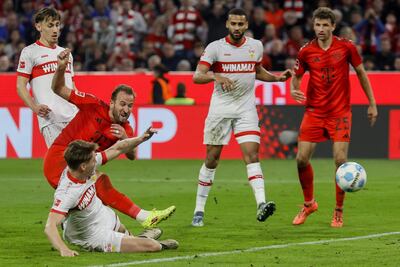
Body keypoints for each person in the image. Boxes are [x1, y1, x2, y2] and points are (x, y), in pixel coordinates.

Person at [44, 48, 175, 229]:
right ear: (112, 102)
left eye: (130, 106)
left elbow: (133, 156)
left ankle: (126, 233)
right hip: (60, 159)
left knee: (99, 203)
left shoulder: (125, 127)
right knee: (100, 184)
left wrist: (125, 137)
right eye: (122, 104)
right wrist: (60, 68)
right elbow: (58, 88)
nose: (126, 109)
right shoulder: (92, 104)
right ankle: (143, 217)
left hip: (84, 166)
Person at [191, 8, 292, 227]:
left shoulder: (255, 46)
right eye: (233, 24)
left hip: (246, 109)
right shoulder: (215, 48)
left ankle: (261, 203)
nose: (237, 28)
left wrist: (276, 79)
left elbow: (257, 71)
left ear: (246, 25)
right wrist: (216, 76)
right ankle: (199, 209)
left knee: (252, 155)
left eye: (241, 24)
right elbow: (197, 76)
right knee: (212, 159)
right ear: (227, 24)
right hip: (220, 109)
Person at [290, 7, 378, 228]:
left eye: (324, 25)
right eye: (317, 25)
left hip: (339, 113)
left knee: (340, 161)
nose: (320, 29)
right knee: (301, 159)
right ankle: (309, 203)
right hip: (314, 112)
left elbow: (361, 73)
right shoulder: (306, 51)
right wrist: (294, 88)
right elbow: (297, 77)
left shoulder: (346, 47)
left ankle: (338, 211)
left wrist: (372, 103)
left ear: (332, 26)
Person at [45, 133, 179, 257]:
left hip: (101, 214)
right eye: (93, 159)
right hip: (92, 236)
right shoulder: (68, 193)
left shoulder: (82, 167)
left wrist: (140, 139)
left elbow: (117, 149)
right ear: (83, 166)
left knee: (123, 232)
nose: (96, 161)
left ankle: (137, 239)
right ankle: (147, 240)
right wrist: (64, 249)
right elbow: (49, 226)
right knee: (152, 246)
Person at [16, 7, 78, 147]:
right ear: (39, 26)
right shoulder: (30, 52)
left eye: (57, 25)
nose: (55, 30)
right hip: (51, 120)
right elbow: (20, 86)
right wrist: (34, 107)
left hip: (74, 118)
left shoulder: (66, 54)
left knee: (84, 166)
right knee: (63, 166)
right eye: (50, 25)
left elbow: (72, 87)